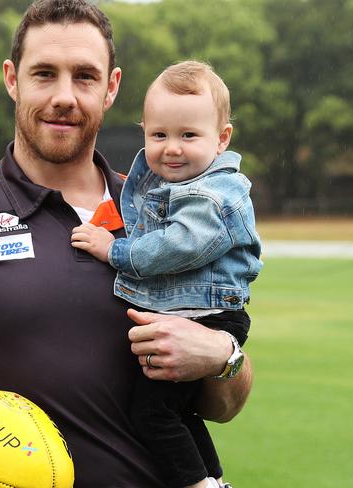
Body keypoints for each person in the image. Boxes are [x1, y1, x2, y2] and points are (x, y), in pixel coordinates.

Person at [0, 2, 253, 487]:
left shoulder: (174, 219)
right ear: (12, 79)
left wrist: (223, 356)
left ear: (111, 87)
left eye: (85, 77)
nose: (64, 97)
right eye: (44, 74)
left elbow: (226, 406)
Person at [71, 60, 262, 488]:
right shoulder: (164, 186)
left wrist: (114, 250)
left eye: (188, 135)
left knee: (153, 414)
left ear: (222, 138)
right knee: (175, 412)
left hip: (202, 315)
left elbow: (179, 247)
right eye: (159, 135)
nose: (171, 148)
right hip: (189, 311)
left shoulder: (212, 193)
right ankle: (212, 479)